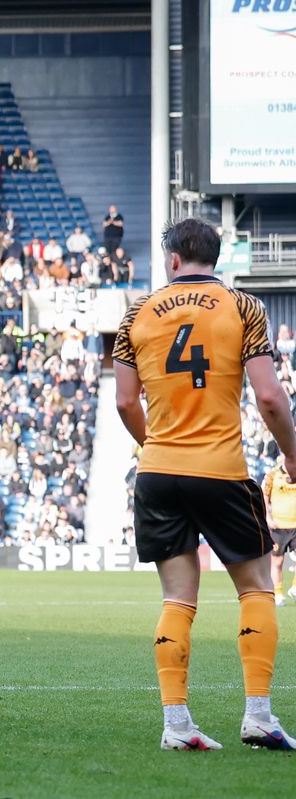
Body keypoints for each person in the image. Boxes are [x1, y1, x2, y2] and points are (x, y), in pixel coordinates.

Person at [113, 217, 296, 751]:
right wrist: (291, 454)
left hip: (158, 472)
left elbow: (125, 401)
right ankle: (258, 715)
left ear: (172, 260)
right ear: (215, 258)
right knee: (258, 587)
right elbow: (269, 398)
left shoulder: (135, 314)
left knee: (177, 598)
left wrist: (154, 446)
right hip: (220, 469)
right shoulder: (244, 308)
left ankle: (176, 725)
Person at [262, 458, 296, 606]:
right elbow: (264, 496)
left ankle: (295, 588)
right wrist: (268, 517)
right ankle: (278, 593)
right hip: (278, 526)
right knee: (277, 561)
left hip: (295, 525)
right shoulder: (272, 475)